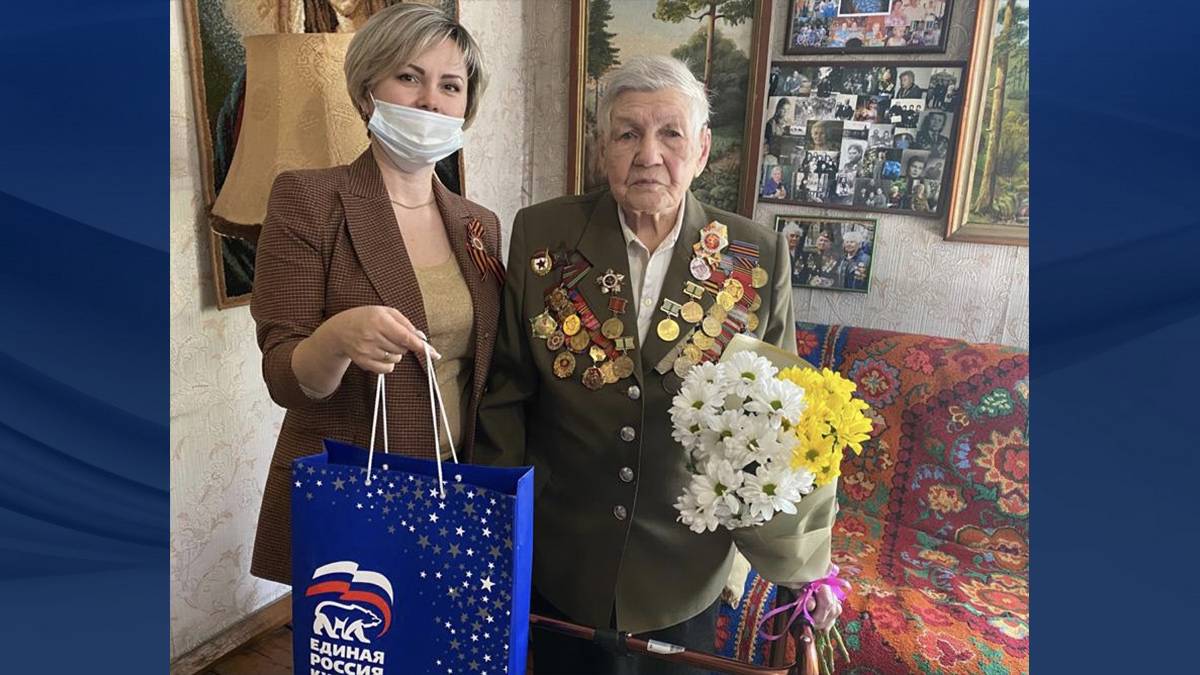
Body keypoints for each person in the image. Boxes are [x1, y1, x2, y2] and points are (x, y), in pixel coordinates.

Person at [475, 56, 842, 674]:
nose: (648, 155)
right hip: (564, 559)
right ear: (602, 150)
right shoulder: (542, 234)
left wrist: (807, 566)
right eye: (627, 133)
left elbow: (784, 425)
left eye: (671, 133)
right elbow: (508, 394)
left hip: (684, 569)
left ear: (701, 150)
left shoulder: (756, 255)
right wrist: (495, 529)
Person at [247, 3, 503, 584]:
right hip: (355, 491)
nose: (431, 101)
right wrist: (337, 339)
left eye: (450, 86)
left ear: (466, 107)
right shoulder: (309, 201)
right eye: (409, 77)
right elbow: (284, 377)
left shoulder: (479, 224)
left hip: (458, 488)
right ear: (367, 93)